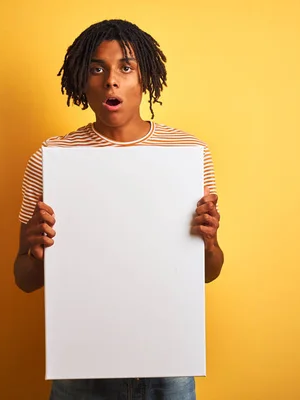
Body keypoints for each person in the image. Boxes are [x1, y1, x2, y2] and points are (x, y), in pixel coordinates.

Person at [14, 19, 224, 400]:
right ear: (82, 80)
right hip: (82, 368)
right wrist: (34, 248)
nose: (111, 80)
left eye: (126, 67)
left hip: (168, 363)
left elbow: (208, 274)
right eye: (98, 68)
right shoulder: (52, 159)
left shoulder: (187, 154)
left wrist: (208, 243)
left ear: (145, 79)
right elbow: (25, 279)